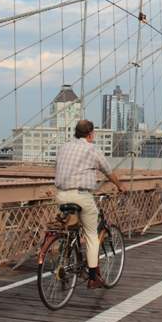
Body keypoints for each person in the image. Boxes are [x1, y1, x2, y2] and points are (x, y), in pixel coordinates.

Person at [55, 119, 126, 289]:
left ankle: (67, 253)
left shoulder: (64, 147)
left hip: (61, 195)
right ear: (90, 134)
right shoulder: (91, 149)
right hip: (81, 195)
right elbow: (107, 171)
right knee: (91, 236)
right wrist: (119, 185)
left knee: (71, 227)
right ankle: (93, 277)